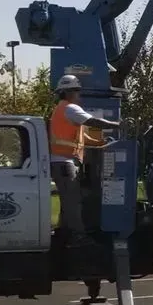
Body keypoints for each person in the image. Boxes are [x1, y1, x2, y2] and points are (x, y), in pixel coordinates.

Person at [48, 74, 120, 238]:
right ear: (67, 92)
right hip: (64, 163)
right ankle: (79, 237)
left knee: (68, 202)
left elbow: (81, 137)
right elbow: (92, 121)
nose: (79, 94)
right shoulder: (70, 108)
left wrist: (99, 142)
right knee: (73, 202)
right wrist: (117, 125)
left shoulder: (63, 109)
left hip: (63, 162)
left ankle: (63, 234)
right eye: (76, 91)